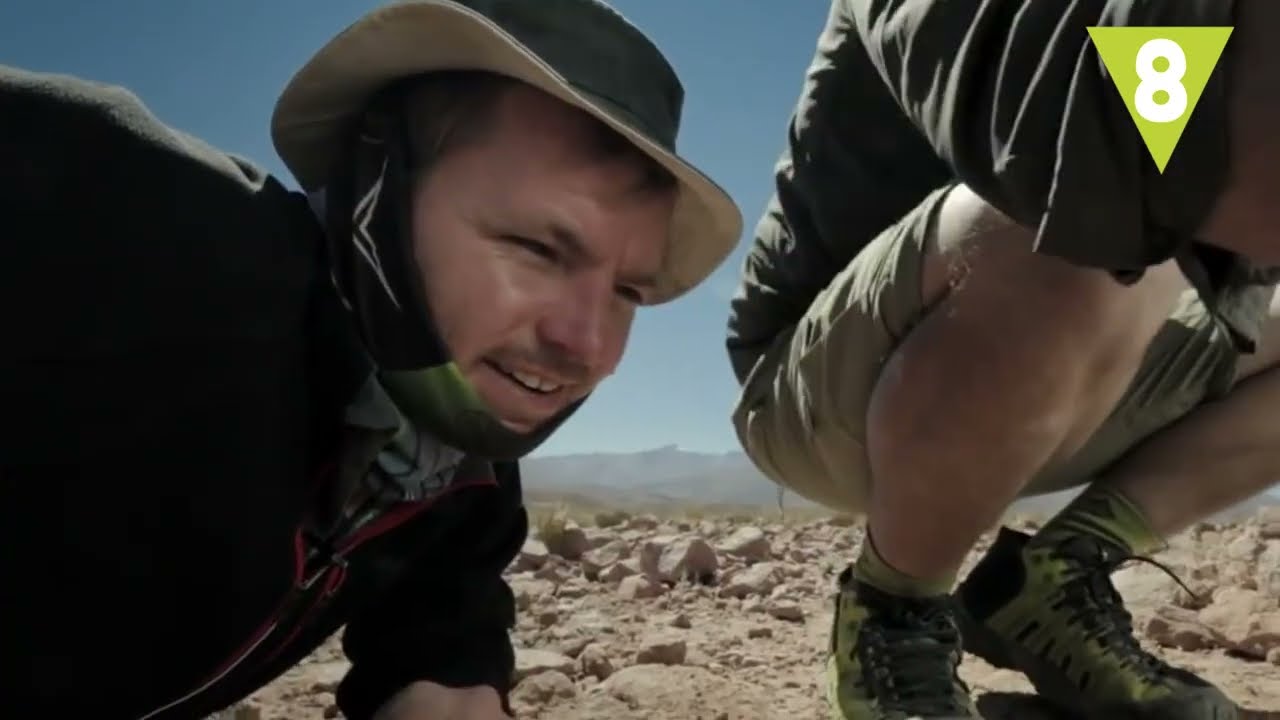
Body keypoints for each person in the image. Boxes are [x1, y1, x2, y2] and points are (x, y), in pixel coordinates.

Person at [0, 1, 741, 718]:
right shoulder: (151, 222)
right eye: (538, 249)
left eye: (627, 292)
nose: (589, 345)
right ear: (378, 193)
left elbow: (439, 655)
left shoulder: (458, 474)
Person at [725, 1, 1279, 719]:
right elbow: (1117, 130)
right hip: (823, 398)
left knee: (1118, 206)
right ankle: (894, 613)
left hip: (1071, 380)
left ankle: (1052, 584)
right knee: (1090, 197)